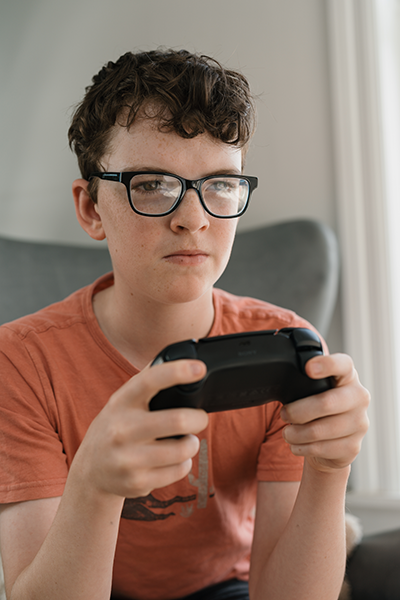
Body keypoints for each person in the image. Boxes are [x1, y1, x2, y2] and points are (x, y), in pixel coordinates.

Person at [0, 49, 369, 600]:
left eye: (221, 183)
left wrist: (329, 468)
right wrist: (95, 485)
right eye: (151, 184)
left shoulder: (283, 346)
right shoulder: (22, 361)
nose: (192, 218)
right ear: (91, 209)